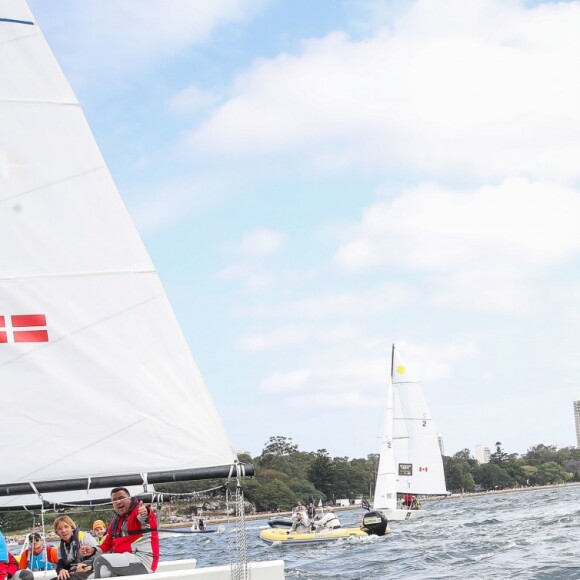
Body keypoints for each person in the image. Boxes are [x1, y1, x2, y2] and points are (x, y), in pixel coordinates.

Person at [90, 487, 159, 577]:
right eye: (114, 500)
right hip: (125, 560)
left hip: (142, 561)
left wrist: (145, 512)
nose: (118, 502)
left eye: (121, 498)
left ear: (130, 499)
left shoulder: (138, 511)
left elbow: (146, 516)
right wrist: (93, 550)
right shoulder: (115, 523)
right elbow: (106, 545)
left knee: (100, 561)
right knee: (90, 577)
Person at [53, 515, 99, 580]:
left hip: (91, 570)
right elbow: (60, 564)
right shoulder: (60, 547)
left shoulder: (85, 537)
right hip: (74, 572)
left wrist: (88, 565)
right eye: (59, 529)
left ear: (72, 528)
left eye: (66, 527)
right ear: (57, 532)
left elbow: (100, 554)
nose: (63, 530)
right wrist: (61, 570)